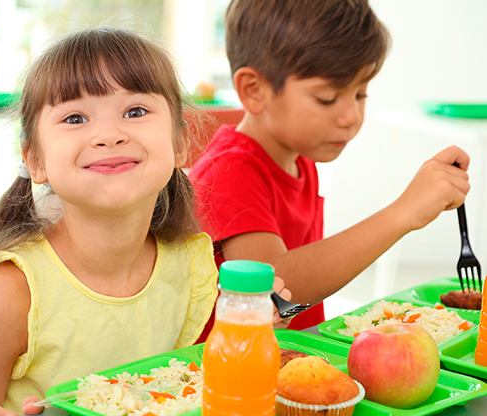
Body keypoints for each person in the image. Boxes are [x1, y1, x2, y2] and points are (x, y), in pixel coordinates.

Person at [0, 27, 293, 416]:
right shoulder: (10, 294)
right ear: (35, 160)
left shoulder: (188, 266)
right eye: (75, 118)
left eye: (136, 111)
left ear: (180, 143)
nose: (109, 135)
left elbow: (169, 397)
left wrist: (250, 327)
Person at [188, 0, 470, 340]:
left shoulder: (300, 157)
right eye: (327, 97)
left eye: (360, 94)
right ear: (254, 90)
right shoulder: (230, 170)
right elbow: (276, 294)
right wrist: (402, 213)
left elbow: (301, 302)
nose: (351, 116)